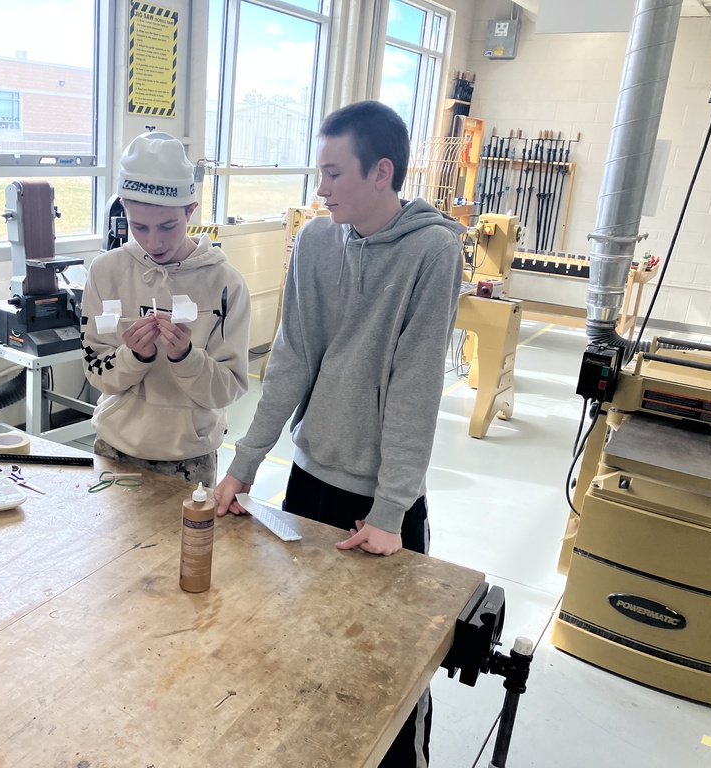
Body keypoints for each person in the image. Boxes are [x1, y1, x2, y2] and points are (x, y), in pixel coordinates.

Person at [213, 100, 465, 767]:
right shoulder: (319, 241)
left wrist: (390, 512)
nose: (319, 188)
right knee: (303, 652)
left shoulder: (433, 251)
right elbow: (292, 357)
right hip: (309, 482)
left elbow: (416, 389)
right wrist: (243, 466)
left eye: (332, 173)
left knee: (386, 679)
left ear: (381, 172)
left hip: (379, 507)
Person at [81, 131, 251, 489]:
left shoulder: (225, 285)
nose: (154, 242)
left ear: (191, 210)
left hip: (189, 457)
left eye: (168, 226)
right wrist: (134, 357)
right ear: (123, 208)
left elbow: (228, 389)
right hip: (115, 447)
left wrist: (187, 357)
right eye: (139, 227)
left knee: (187, 546)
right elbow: (96, 371)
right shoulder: (105, 272)